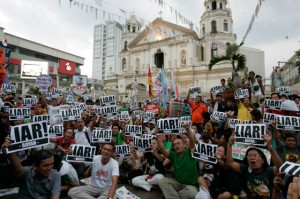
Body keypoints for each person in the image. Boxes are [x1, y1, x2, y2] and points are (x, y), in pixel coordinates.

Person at [226, 132, 283, 198]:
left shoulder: (269, 171)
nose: (252, 157)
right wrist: (229, 145)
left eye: (254, 155)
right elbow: (230, 163)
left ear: (263, 160)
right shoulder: (245, 169)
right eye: (249, 156)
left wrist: (270, 147)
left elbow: (281, 167)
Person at [157, 123, 198, 199]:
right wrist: (158, 137)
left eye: (178, 143)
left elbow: (192, 142)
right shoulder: (173, 155)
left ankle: (170, 196)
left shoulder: (189, 152)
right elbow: (162, 150)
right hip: (177, 183)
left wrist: (187, 129)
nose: (176, 146)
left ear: (185, 145)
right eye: (174, 145)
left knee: (191, 194)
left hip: (190, 185)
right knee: (161, 181)